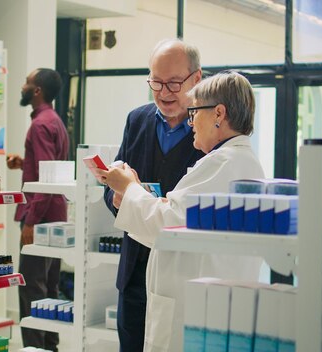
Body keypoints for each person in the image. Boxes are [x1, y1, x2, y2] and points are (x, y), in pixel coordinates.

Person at [98, 71, 265, 352]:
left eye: (194, 112)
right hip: (209, 301)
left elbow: (170, 227)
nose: (191, 123)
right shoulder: (231, 163)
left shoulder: (225, 164)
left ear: (218, 114)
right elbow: (183, 218)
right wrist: (142, 196)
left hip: (198, 307)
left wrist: (129, 189)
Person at [103, 38, 205, 352]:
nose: (163, 93)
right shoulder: (137, 120)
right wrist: (118, 199)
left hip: (179, 275)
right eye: (156, 82)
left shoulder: (210, 132)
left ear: (196, 79)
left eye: (174, 84)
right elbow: (113, 187)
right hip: (135, 270)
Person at [7, 68, 69, 352]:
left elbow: (44, 181)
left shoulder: (39, 125)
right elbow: (50, 167)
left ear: (37, 91)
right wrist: (24, 162)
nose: (23, 86)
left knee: (32, 287)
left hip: (40, 216)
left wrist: (30, 222)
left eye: (26, 82)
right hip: (55, 216)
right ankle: (50, 347)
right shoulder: (54, 121)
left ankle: (34, 349)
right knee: (50, 286)